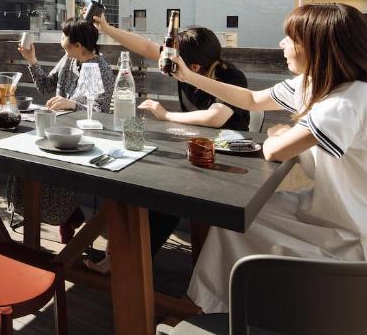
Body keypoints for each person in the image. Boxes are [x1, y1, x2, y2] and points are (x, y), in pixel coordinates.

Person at [174, 3, 367, 313]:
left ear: (318, 46)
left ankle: (210, 308)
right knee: (235, 217)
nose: (282, 44)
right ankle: (215, 305)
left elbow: (275, 151)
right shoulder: (322, 84)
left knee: (235, 223)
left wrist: (282, 136)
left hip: (359, 239)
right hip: (341, 213)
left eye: (290, 38)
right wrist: (190, 77)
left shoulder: (349, 100)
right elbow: (252, 100)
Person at [93, 18, 249, 257]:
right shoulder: (187, 62)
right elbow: (145, 47)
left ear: (194, 68)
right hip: (191, 151)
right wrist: (106, 29)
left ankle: (129, 264)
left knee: (166, 199)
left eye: (175, 60)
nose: (169, 62)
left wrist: (166, 115)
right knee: (140, 184)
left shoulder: (231, 78)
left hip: (228, 162)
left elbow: (215, 118)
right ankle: (123, 257)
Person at [16, 18, 115, 242]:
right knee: (25, 160)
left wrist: (73, 104)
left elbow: (98, 112)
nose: (61, 41)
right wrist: (32, 61)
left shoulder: (99, 69)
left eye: (64, 37)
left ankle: (65, 215)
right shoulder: (69, 59)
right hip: (57, 128)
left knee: (51, 165)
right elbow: (46, 87)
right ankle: (66, 214)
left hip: (84, 137)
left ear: (78, 45)